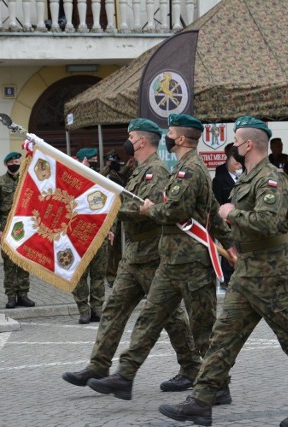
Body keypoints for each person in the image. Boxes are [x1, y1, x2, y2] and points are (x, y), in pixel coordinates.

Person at [158, 116, 288, 427]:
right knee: (222, 336)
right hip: (248, 272)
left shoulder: (272, 179)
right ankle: (202, 400)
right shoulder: (249, 177)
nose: (233, 147)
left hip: (272, 275)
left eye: (237, 142)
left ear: (249, 144)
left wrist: (231, 212)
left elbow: (269, 222)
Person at [85, 113, 234, 403]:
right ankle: (125, 376)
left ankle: (219, 385)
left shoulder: (190, 169)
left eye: (171, 132)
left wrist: (147, 210)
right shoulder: (183, 167)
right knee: (149, 319)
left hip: (192, 263)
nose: (167, 136)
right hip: (170, 262)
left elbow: (175, 212)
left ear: (179, 138)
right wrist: (230, 243)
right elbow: (212, 210)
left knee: (202, 328)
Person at [62, 118, 201, 393]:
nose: (127, 140)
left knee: (170, 316)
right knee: (114, 310)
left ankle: (191, 367)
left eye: (131, 136)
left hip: (152, 256)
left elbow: (142, 210)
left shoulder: (157, 172)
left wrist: (106, 209)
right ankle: (99, 364)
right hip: (133, 256)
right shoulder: (138, 170)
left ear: (140, 140)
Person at [0, 152, 35, 309]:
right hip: (7, 227)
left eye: (17, 161)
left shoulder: (26, 180)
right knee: (9, 264)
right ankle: (11, 296)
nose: (16, 163)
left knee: (23, 262)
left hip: (24, 227)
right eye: (12, 161)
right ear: (6, 164)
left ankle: (23, 294)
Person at [74, 147, 108, 323]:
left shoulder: (102, 181)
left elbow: (112, 206)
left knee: (98, 275)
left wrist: (111, 229)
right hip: (79, 237)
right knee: (80, 276)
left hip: (99, 235)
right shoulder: (73, 181)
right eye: (91, 160)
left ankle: (97, 309)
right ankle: (83, 309)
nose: (94, 162)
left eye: (96, 159)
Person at [212, 153, 242, 289]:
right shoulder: (220, 180)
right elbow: (217, 201)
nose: (239, 167)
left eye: (240, 164)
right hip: (227, 221)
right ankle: (227, 279)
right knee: (228, 248)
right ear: (229, 165)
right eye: (236, 164)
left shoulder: (245, 179)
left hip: (242, 220)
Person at [101, 149, 127, 288]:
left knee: (119, 247)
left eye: (115, 161)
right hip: (111, 213)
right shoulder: (104, 173)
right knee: (111, 247)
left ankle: (118, 274)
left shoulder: (119, 173)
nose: (114, 164)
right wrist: (107, 168)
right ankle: (111, 276)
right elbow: (99, 180)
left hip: (122, 211)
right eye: (111, 161)